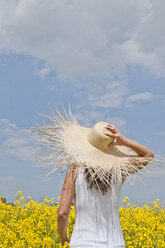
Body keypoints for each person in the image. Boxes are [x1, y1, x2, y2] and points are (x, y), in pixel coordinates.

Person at [57, 123, 154, 248]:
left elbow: (62, 213)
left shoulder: (75, 168)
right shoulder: (119, 171)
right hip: (115, 243)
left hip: (82, 243)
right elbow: (148, 156)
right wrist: (125, 141)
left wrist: (64, 240)